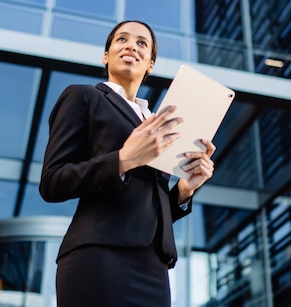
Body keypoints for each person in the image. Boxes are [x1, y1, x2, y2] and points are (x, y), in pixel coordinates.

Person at [39, 20, 216, 306]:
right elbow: (52, 182)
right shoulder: (83, 96)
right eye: (121, 40)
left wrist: (184, 190)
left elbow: (147, 205)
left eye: (141, 43)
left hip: (154, 267)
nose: (131, 45)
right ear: (106, 56)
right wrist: (123, 159)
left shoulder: (157, 122)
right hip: (99, 255)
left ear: (150, 65)